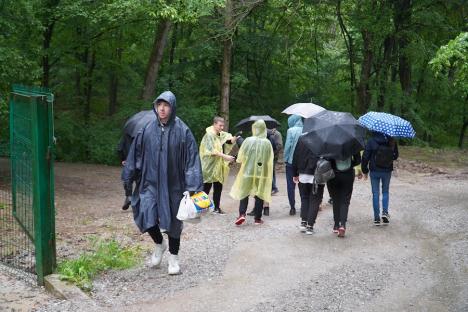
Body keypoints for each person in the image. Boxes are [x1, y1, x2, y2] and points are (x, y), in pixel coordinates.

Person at [122, 91, 203, 275]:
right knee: (145, 212)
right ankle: (159, 244)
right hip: (150, 183)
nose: (162, 109)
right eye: (159, 105)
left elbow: (192, 159)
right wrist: (128, 176)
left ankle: (174, 258)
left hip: (174, 184)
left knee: (174, 222)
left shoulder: (183, 131)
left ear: (172, 107)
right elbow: (135, 154)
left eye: (166, 105)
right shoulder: (147, 129)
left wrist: (193, 186)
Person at [230, 120, 273, 226]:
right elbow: (269, 159)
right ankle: (257, 219)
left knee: (244, 192)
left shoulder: (248, 140)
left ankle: (242, 214)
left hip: (247, 172)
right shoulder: (267, 142)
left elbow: (240, 157)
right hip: (261, 173)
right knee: (259, 193)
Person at [199, 116, 237, 214]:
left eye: (223, 125)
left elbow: (226, 140)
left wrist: (233, 139)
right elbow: (212, 151)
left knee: (218, 186)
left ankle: (217, 208)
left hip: (218, 165)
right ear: (214, 124)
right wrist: (226, 157)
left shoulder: (219, 133)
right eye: (220, 125)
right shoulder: (209, 135)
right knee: (206, 187)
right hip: (209, 166)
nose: (222, 127)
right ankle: (201, 208)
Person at [361, 132, 399, 226]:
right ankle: (385, 213)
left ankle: (376, 218)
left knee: (375, 193)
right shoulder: (392, 140)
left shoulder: (371, 141)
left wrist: (364, 170)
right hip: (387, 170)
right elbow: (395, 156)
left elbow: (365, 156)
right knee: (385, 191)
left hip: (374, 170)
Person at [292, 138, 322, 235]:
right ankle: (310, 226)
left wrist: (295, 173)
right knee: (315, 200)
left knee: (304, 198)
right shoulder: (322, 140)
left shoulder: (302, 139)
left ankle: (303, 222)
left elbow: (295, 156)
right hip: (317, 174)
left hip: (303, 174)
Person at [327, 153, 362, 238]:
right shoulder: (350, 143)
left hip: (334, 175)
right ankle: (342, 224)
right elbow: (358, 160)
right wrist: (351, 164)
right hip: (348, 174)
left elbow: (326, 160)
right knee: (345, 200)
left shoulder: (330, 144)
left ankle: (336, 225)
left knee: (335, 200)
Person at [283, 115, 303, 215]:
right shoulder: (306, 129)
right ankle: (304, 206)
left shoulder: (291, 130)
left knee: (291, 185)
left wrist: (285, 159)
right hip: (303, 163)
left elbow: (288, 146)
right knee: (302, 184)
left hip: (291, 162)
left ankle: (292, 207)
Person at [269, 128, 283, 195]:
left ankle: (274, 188)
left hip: (273, 156)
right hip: (268, 156)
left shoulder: (277, 133)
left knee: (271, 171)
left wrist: (273, 153)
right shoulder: (266, 132)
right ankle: (272, 188)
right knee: (270, 171)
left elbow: (279, 145)